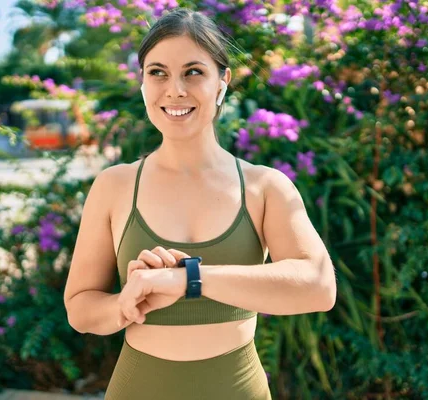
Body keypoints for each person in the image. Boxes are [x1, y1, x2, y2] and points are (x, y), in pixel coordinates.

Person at [63, 7, 337, 400]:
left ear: (222, 82)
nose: (175, 90)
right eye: (157, 72)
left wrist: (188, 280)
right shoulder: (114, 186)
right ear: (142, 83)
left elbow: (318, 286)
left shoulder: (264, 187)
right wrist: (125, 304)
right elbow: (80, 309)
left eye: (193, 71)